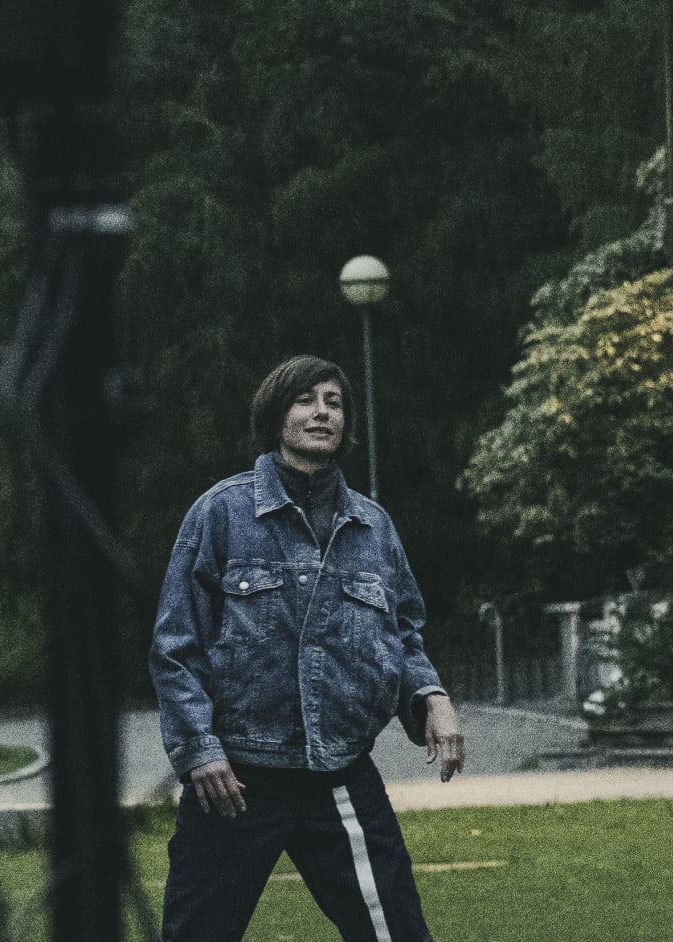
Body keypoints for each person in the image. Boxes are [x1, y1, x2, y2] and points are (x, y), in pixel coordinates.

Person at [151, 356, 465, 942]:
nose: (322, 411)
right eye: (305, 400)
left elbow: (402, 633)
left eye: (334, 402)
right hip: (235, 781)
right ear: (276, 416)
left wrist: (432, 695)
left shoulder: (373, 526)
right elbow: (176, 647)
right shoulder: (221, 513)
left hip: (340, 775)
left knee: (398, 933)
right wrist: (200, 752)